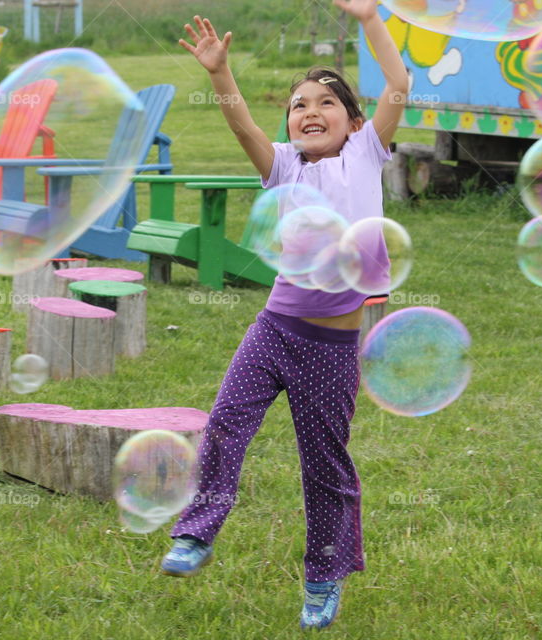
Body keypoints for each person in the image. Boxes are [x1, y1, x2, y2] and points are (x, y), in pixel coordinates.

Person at [161, 0, 408, 631]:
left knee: (324, 464)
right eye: (299, 104)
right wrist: (219, 74)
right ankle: (196, 533)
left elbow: (399, 85)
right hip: (273, 331)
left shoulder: (366, 153)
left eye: (326, 102)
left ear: (355, 123)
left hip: (330, 346)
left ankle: (324, 577)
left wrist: (370, 19)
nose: (310, 111)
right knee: (224, 425)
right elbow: (242, 127)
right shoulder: (283, 166)